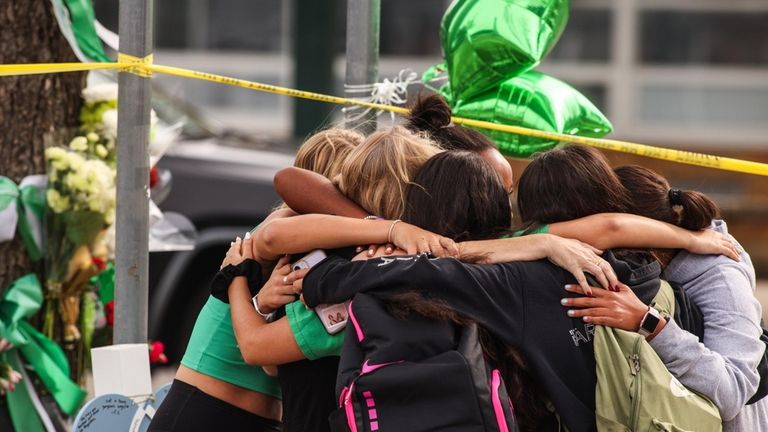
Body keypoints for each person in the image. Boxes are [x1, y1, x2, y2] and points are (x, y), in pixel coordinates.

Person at [149, 128, 363, 432]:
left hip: (259, 417)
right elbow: (272, 230)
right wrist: (387, 228)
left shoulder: (324, 253)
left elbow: (273, 364)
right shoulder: (286, 223)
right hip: (206, 407)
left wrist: (261, 306)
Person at [562, 165, 768, 431]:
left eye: (607, 237)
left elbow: (731, 391)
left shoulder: (722, 279)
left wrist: (647, 321)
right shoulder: (663, 264)